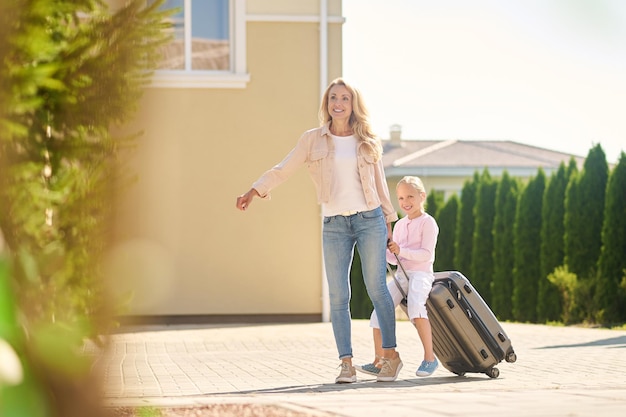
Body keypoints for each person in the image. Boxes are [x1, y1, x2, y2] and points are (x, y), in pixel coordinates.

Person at [236, 78, 402, 383]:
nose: (338, 103)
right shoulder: (312, 140)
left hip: (369, 220)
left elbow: (380, 188)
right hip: (334, 224)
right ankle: (346, 363)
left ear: (354, 105)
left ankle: (390, 356)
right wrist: (255, 189)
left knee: (377, 288)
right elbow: (284, 168)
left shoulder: (367, 140)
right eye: (332, 98)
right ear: (326, 104)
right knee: (339, 295)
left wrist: (390, 227)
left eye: (344, 98)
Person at [355, 176, 440, 378]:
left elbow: (426, 255)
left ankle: (430, 358)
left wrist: (401, 250)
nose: (405, 202)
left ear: (422, 196)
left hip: (421, 274)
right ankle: (380, 360)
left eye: (410, 196)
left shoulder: (428, 223)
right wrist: (384, 248)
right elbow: (394, 259)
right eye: (401, 198)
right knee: (378, 314)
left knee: (416, 309)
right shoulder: (400, 225)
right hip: (402, 275)